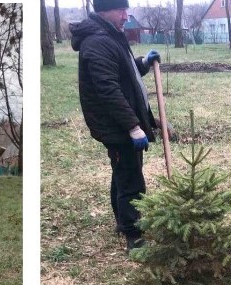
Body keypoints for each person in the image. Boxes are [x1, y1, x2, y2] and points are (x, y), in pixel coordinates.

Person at [70, 0, 161, 253]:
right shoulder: (98, 42)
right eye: (121, 10)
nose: (126, 15)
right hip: (117, 126)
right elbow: (108, 89)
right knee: (131, 178)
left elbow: (124, 74)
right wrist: (133, 126)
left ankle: (123, 223)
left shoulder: (112, 35)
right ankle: (133, 234)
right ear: (105, 11)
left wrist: (142, 63)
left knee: (123, 172)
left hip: (122, 122)